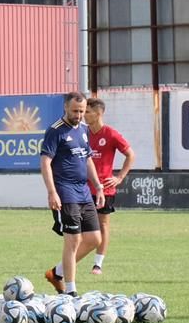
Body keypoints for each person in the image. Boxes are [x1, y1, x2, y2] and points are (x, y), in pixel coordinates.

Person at [40, 92, 104, 297]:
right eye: (75, 111)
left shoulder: (83, 130)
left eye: (82, 111)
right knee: (73, 241)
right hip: (65, 192)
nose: (79, 115)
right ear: (66, 108)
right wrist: (52, 192)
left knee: (95, 239)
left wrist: (98, 186)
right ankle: (70, 291)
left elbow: (87, 159)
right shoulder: (55, 131)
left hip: (84, 192)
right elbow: (45, 162)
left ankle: (56, 273)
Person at [84, 97, 134, 276]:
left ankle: (98, 264)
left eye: (87, 112)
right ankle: (73, 258)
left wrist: (119, 177)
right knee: (83, 227)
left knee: (103, 224)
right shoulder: (83, 133)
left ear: (98, 113)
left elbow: (130, 154)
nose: (84, 115)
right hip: (83, 187)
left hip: (104, 189)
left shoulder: (111, 134)